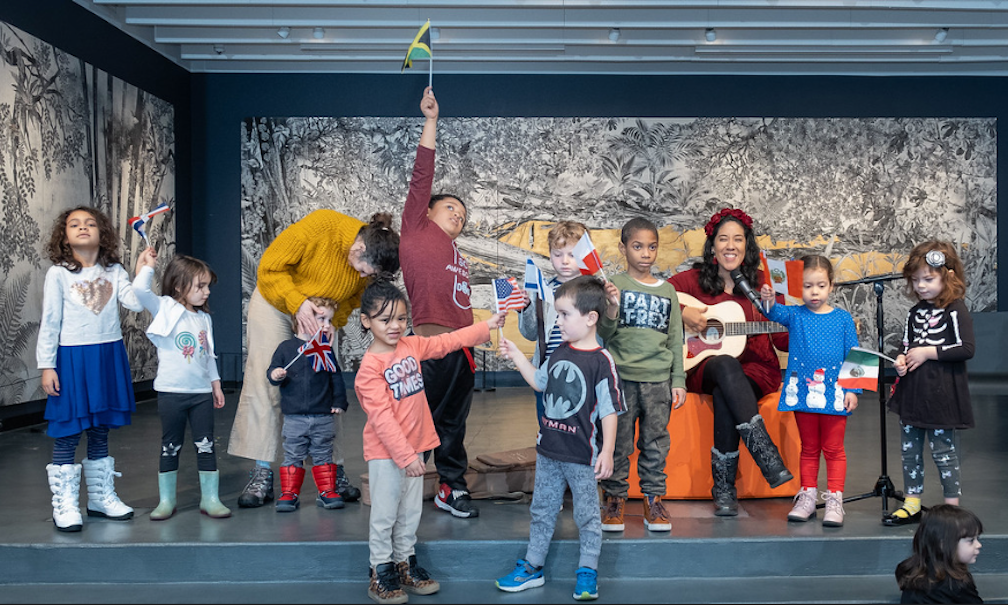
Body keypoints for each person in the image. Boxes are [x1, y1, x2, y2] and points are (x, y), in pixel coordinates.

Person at [228, 210, 400, 509]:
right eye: (363, 270)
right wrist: (297, 303)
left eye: (368, 275)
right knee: (268, 382)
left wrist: (333, 323)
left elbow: (351, 299)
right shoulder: (321, 226)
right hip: (276, 304)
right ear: (359, 247)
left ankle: (332, 470)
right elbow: (270, 268)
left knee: (326, 387)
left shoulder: (367, 263)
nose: (362, 277)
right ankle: (261, 473)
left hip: (321, 316)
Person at [353, 279, 506, 604]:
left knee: (409, 513)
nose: (395, 326)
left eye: (401, 318)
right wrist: (406, 456)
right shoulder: (369, 369)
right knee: (385, 515)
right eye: (385, 319)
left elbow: (447, 341)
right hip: (388, 454)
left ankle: (404, 563)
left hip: (416, 450)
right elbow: (382, 420)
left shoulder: (410, 346)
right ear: (366, 321)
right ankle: (380, 572)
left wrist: (486, 326)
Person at [496, 275, 625, 601]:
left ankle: (588, 570)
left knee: (587, 515)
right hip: (548, 451)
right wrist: (517, 355)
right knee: (541, 510)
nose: (558, 321)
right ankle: (533, 566)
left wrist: (607, 450)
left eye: (565, 314)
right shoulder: (558, 353)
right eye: (557, 314)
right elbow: (540, 382)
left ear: (591, 318)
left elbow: (610, 410)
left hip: (581, 457)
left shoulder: (602, 362)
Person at [667, 207, 792, 517]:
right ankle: (767, 456)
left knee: (726, 391)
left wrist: (793, 319)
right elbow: (658, 299)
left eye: (738, 239)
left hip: (756, 369)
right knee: (724, 363)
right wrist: (682, 313)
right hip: (702, 366)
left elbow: (782, 340)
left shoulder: (762, 284)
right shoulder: (691, 281)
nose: (730, 246)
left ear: (747, 245)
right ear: (713, 245)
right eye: (723, 239)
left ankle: (724, 488)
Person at [37, 206, 144, 532]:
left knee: (100, 429)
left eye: (90, 223)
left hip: (106, 355)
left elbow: (136, 303)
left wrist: (144, 272)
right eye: (74, 224)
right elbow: (50, 321)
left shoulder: (115, 271)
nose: (83, 227)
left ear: (102, 233)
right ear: (64, 236)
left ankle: (100, 498)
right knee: (68, 430)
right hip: (71, 358)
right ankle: (65, 504)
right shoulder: (58, 274)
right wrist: (47, 365)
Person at [399, 85, 480, 519]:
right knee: (420, 419)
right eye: (451, 208)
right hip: (429, 347)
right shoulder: (415, 231)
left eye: (462, 216)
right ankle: (404, 486)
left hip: (462, 351)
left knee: (453, 424)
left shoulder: (456, 254)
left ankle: (451, 487)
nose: (458, 216)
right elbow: (422, 175)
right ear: (427, 211)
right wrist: (431, 120)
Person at [596, 217, 687, 533]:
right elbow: (604, 333)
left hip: (658, 380)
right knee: (618, 442)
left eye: (651, 247)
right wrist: (610, 307)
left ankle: (653, 499)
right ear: (623, 248)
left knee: (655, 443)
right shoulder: (615, 285)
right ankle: (614, 499)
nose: (645, 253)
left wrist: (678, 380)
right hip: (620, 379)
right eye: (637, 246)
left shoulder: (668, 290)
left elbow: (675, 338)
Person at [758, 255, 860, 527]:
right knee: (809, 448)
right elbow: (772, 312)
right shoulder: (795, 315)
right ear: (797, 287)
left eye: (821, 285)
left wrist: (853, 390)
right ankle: (807, 497)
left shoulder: (843, 319)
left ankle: (835, 499)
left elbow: (856, 354)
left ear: (831, 286)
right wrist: (769, 299)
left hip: (835, 393)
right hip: (803, 393)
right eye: (807, 286)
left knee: (834, 449)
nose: (814, 292)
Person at [133, 250, 231, 520]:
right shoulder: (165, 307)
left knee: (206, 444)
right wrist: (148, 267)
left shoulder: (204, 319)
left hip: (200, 394)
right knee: (170, 445)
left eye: (208, 286)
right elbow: (140, 290)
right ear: (179, 285)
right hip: (171, 393)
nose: (207, 292)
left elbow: (208, 355)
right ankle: (167, 500)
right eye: (201, 286)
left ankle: (210, 499)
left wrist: (216, 384)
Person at [884, 241, 975, 527]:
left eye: (928, 279)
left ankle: (951, 509)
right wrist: (901, 358)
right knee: (909, 451)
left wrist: (928, 352)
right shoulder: (914, 312)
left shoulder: (955, 310)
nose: (921, 286)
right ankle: (911, 503)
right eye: (916, 280)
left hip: (941, 394)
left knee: (943, 452)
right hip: (913, 393)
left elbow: (966, 348)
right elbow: (907, 343)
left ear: (948, 277)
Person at [266, 296, 349, 513]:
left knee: (324, 453)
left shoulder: (325, 350)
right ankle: (289, 493)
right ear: (301, 319)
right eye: (322, 319)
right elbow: (272, 372)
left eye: (329, 321)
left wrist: (339, 401)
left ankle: (327, 491)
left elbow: (335, 377)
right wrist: (275, 374)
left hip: (323, 416)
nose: (327, 326)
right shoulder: (285, 348)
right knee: (293, 455)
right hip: (294, 418)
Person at [518, 220, 589, 421]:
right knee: (548, 425)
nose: (565, 261)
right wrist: (525, 308)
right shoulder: (542, 290)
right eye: (558, 254)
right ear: (550, 254)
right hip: (548, 373)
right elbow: (530, 333)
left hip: (585, 372)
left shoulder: (594, 289)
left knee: (585, 427)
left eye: (572, 255)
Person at [895, 504, 984, 603]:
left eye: (977, 538)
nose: (978, 545)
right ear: (943, 544)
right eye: (971, 540)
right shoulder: (956, 584)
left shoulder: (909, 570)